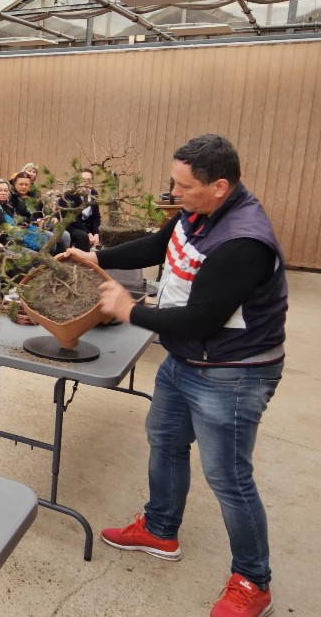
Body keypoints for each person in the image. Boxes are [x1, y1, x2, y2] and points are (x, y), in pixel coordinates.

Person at [58, 134, 287, 617]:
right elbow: (160, 245)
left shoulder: (242, 241)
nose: (174, 193)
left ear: (219, 186)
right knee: (164, 440)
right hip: (186, 358)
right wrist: (97, 258)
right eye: (174, 183)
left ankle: (253, 581)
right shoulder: (197, 212)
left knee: (228, 477)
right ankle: (160, 529)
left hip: (232, 371)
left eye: (184, 186)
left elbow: (202, 319)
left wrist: (129, 310)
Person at [58, 168, 101, 251]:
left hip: (86, 225)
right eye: (83, 180)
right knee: (82, 236)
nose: (85, 183)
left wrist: (96, 233)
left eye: (88, 180)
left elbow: (96, 216)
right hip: (71, 225)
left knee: (98, 234)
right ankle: (80, 258)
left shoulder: (94, 194)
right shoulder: (70, 195)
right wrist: (88, 233)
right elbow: (73, 218)